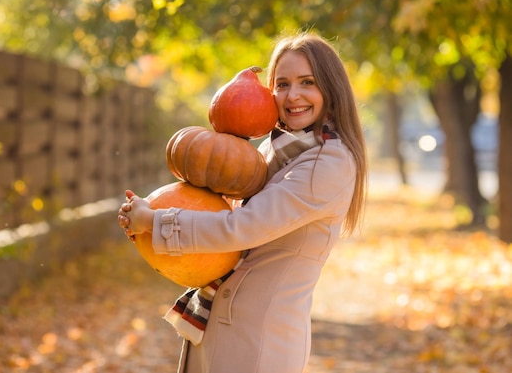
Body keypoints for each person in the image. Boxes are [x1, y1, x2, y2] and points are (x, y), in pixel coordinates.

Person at [117, 31, 368, 373]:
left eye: (307, 82)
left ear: (331, 88)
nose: (292, 96)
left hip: (259, 338)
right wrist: (147, 223)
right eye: (281, 85)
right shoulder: (275, 151)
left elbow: (242, 229)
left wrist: (157, 222)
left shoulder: (330, 163)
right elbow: (217, 221)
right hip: (224, 322)